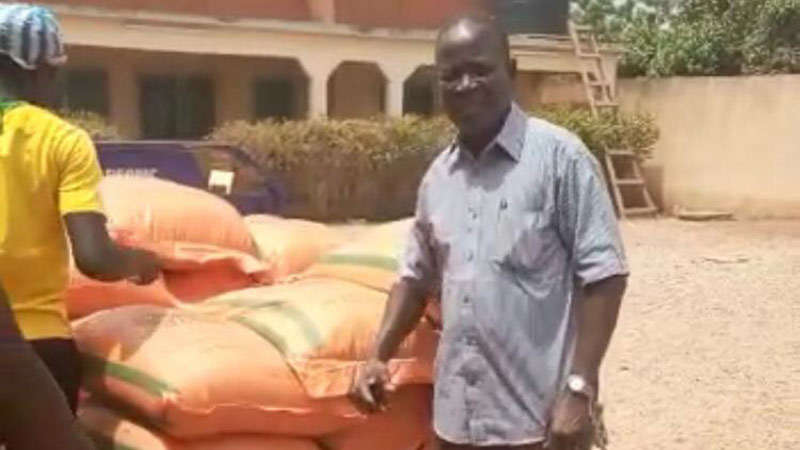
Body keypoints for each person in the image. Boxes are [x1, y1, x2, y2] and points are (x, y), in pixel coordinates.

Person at [351, 13, 628, 450]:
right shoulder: (438, 178)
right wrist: (377, 356)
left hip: (539, 428)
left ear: (511, 73)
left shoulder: (560, 160)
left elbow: (606, 275)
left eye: (480, 70)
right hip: (455, 425)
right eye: (451, 76)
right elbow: (414, 278)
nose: (465, 85)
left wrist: (580, 387)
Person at [0, 3, 160, 439]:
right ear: (34, 69)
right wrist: (142, 262)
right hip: (37, 348)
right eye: (55, 72)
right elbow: (94, 257)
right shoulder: (62, 140)